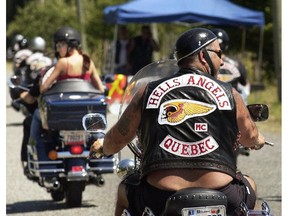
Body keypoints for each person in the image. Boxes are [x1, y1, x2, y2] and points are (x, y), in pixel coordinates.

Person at [89, 28, 266, 215]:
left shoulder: (147, 92)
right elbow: (250, 136)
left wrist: (103, 147)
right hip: (223, 194)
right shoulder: (229, 93)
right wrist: (259, 140)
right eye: (219, 53)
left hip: (158, 197)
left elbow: (118, 138)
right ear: (202, 55)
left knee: (123, 191)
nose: (222, 60)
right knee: (250, 187)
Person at [26, 26, 105, 180]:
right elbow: (100, 88)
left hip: (63, 115)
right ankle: (97, 166)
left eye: (59, 44)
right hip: (85, 114)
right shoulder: (88, 62)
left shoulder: (63, 62)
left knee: (36, 119)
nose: (58, 48)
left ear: (69, 45)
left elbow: (43, 87)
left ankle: (34, 148)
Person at [211, 28, 250, 104]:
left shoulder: (203, 63)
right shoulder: (237, 63)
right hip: (233, 103)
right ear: (226, 45)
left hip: (212, 102)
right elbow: (244, 83)